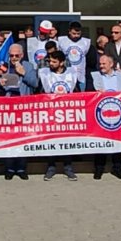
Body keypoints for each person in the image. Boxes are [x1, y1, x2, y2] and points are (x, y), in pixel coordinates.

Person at [0, 43, 38, 180]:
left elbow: (35, 83)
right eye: (11, 55)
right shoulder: (3, 66)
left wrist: (24, 73)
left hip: (23, 106)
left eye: (16, 55)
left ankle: (21, 168)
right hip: (8, 107)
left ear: (22, 55)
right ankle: (9, 168)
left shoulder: (28, 66)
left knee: (23, 138)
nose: (14, 58)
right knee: (8, 138)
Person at [38, 51, 79, 181]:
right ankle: (51, 167)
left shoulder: (71, 74)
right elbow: (39, 92)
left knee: (67, 141)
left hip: (67, 114)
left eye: (54, 61)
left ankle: (68, 168)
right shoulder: (45, 74)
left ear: (61, 63)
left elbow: (77, 92)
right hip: (50, 113)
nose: (51, 63)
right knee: (51, 140)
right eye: (50, 61)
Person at [89, 54, 121, 180]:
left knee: (117, 142)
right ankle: (99, 168)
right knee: (100, 142)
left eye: (104, 64)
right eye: (100, 64)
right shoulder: (95, 76)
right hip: (100, 114)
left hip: (117, 114)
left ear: (111, 64)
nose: (101, 66)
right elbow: (89, 93)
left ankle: (117, 168)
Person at [57, 21, 94, 92]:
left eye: (78, 34)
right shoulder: (61, 41)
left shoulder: (86, 42)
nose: (76, 36)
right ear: (69, 31)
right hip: (66, 74)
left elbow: (90, 59)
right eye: (74, 33)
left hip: (80, 75)